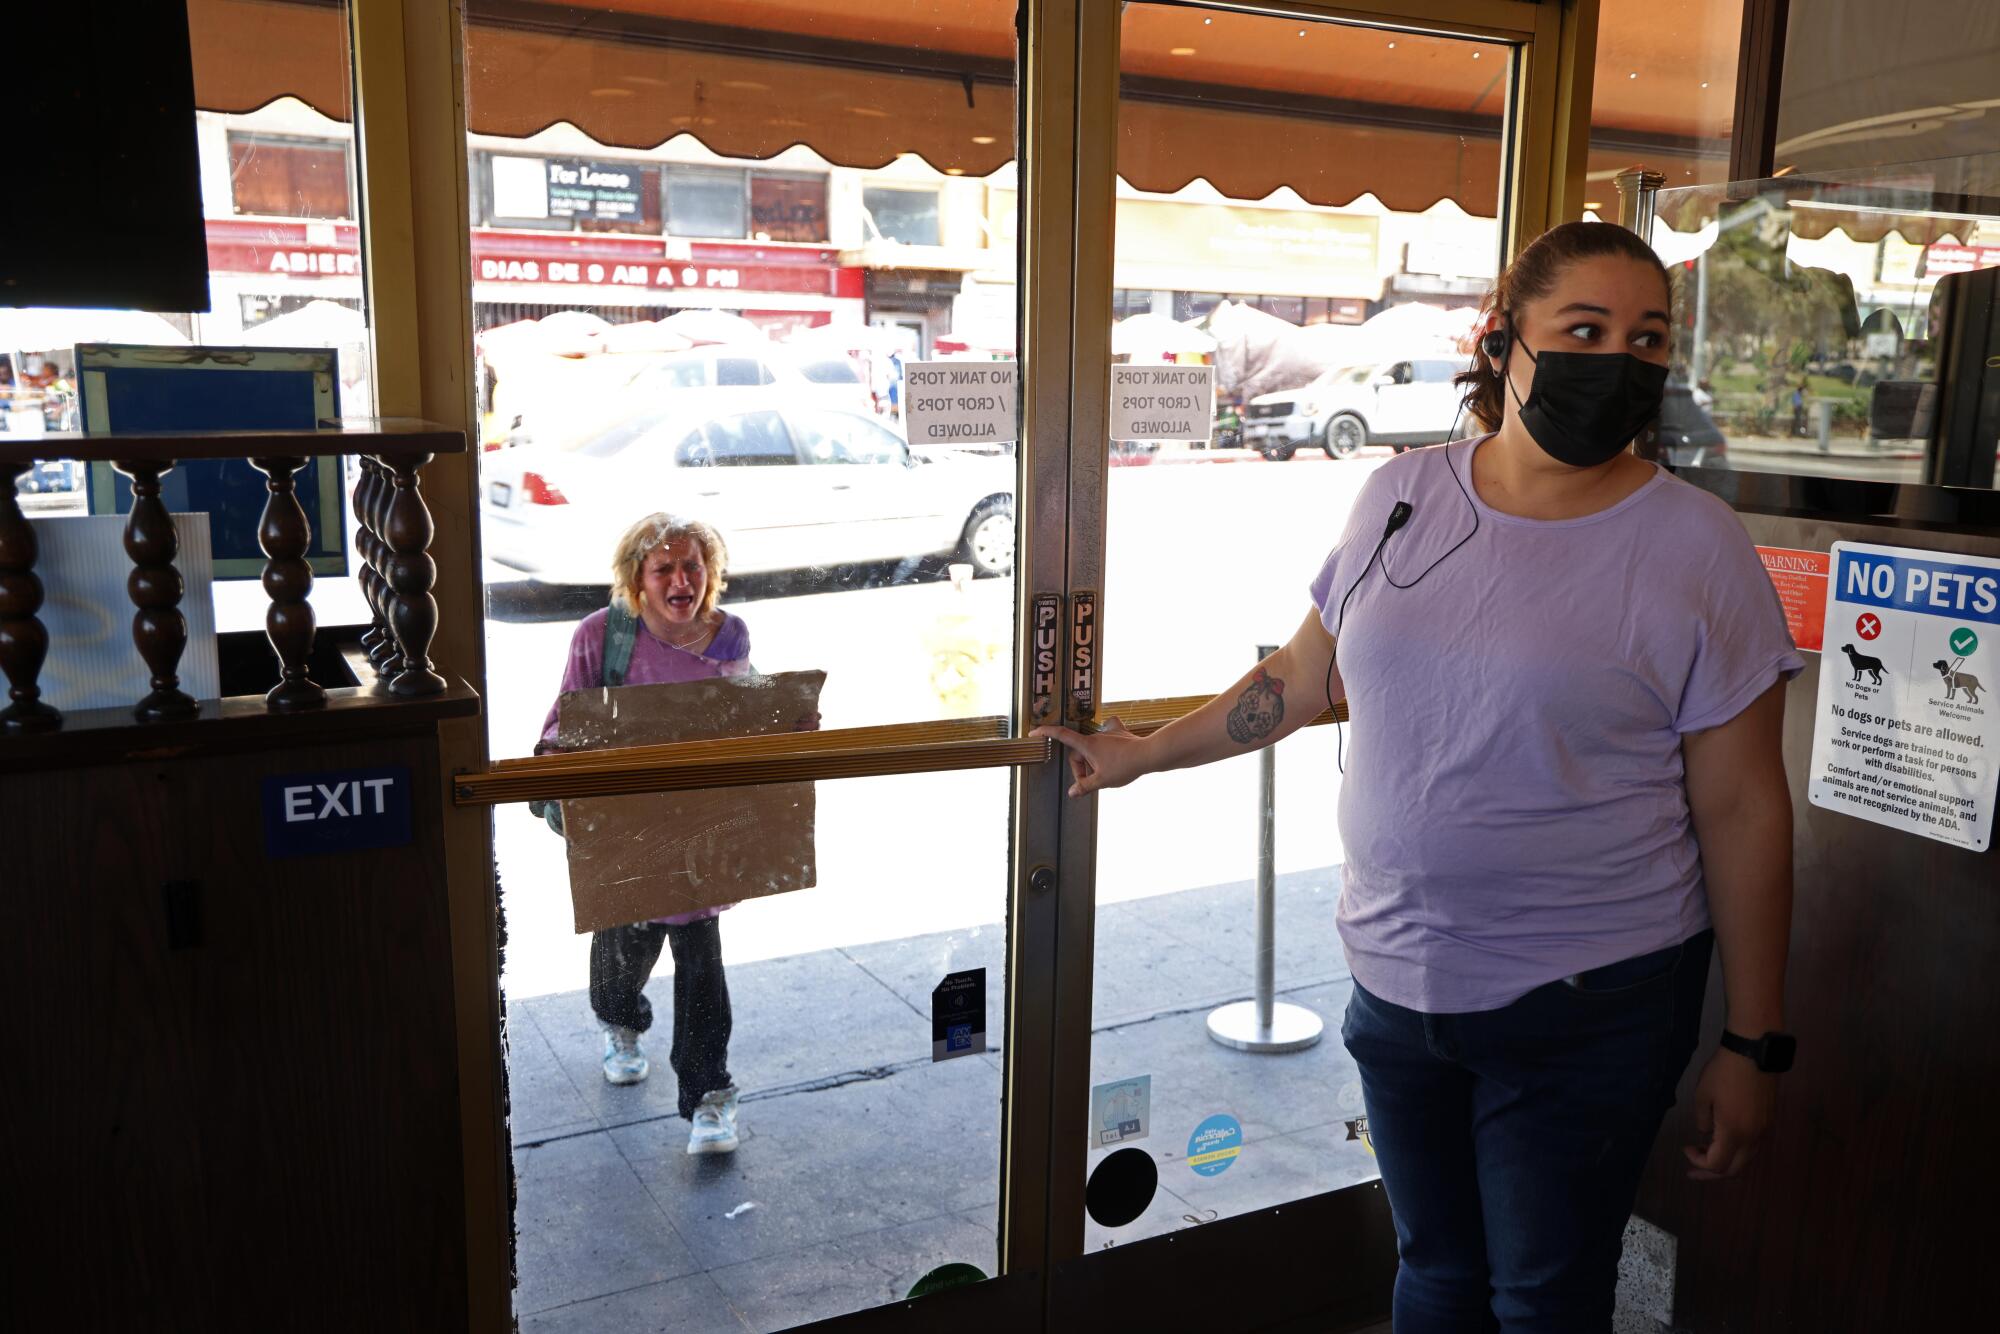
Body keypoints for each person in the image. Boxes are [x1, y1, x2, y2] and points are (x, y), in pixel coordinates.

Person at [1037, 221, 1802, 1332]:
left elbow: (1742, 807)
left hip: (1589, 1003)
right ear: (1501, 342)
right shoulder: (1401, 494)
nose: (1617, 361)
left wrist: (1753, 1039)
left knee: (1542, 1297)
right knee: (1433, 1271)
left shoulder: (1694, 545)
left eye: (1644, 339)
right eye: (1581, 329)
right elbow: (1299, 680)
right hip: (1396, 986)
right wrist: (1144, 753)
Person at [538, 512, 751, 1156]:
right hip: (630, 827)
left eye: (693, 565)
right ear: (638, 580)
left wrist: (785, 716)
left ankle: (709, 1098)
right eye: (665, 568)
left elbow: (741, 710)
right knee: (624, 950)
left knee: (700, 960)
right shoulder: (601, 636)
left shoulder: (728, 634)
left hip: (696, 829)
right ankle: (621, 1021)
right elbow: (566, 720)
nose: (682, 579)